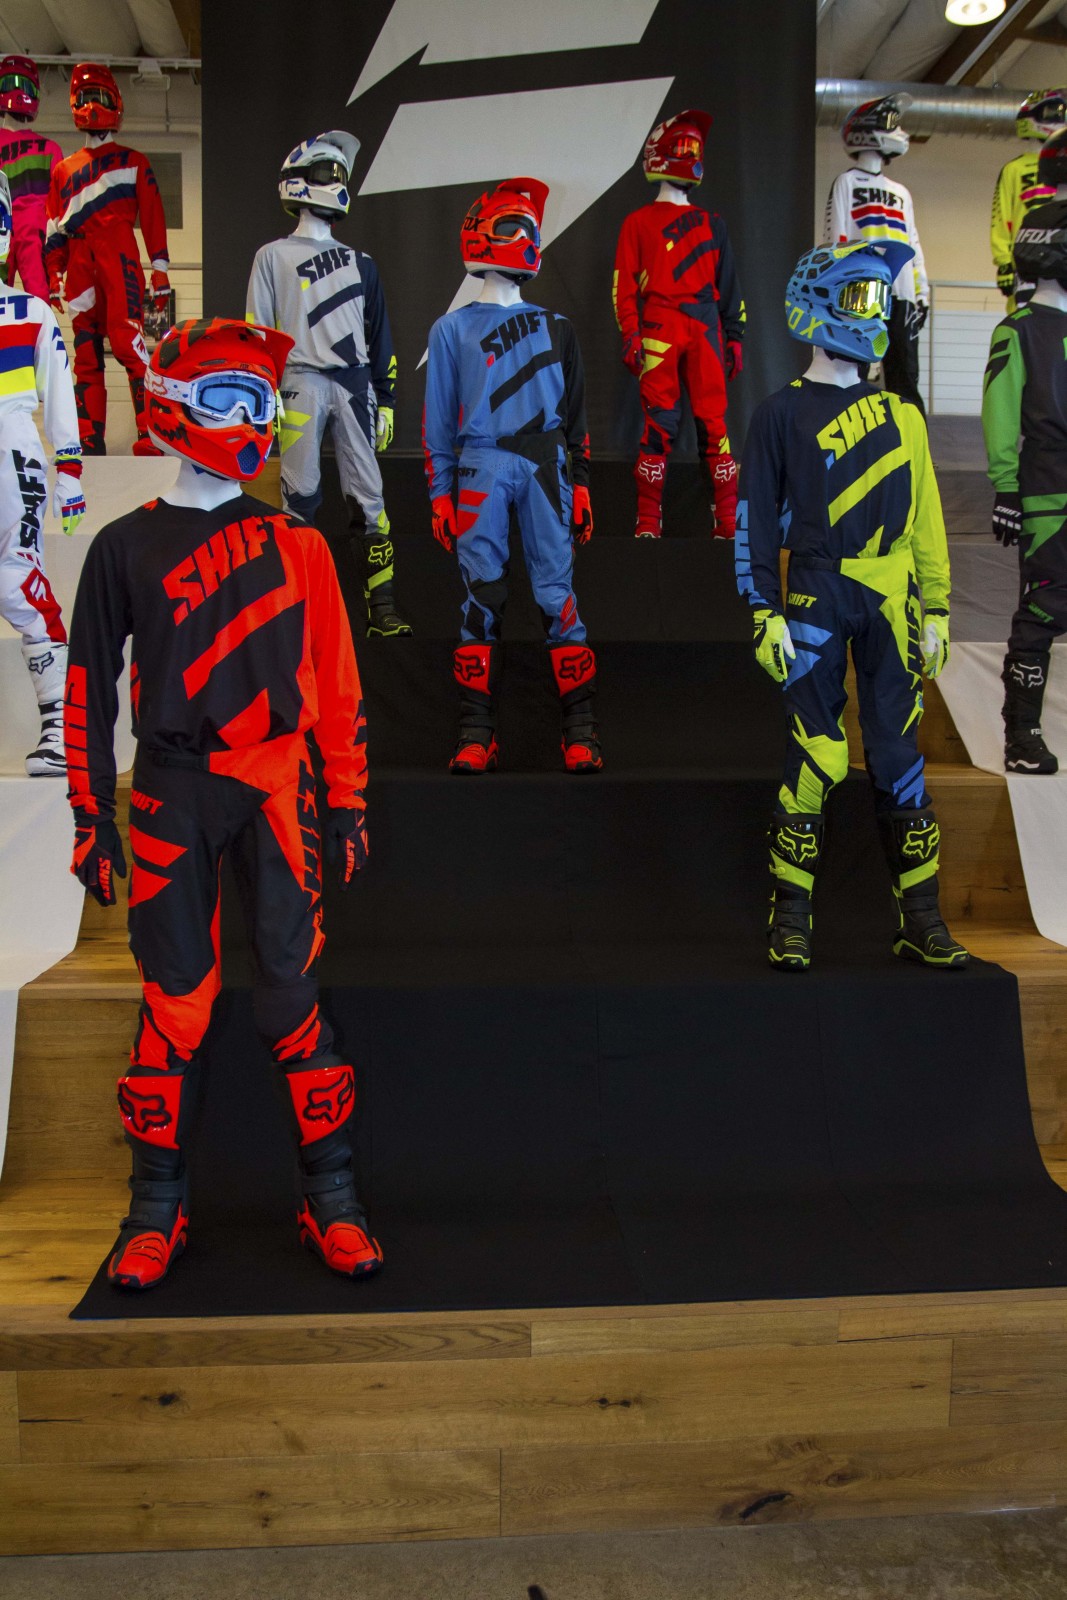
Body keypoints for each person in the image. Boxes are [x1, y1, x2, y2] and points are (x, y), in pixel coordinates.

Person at [64, 316, 381, 1290]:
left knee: (291, 997)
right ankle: (153, 1210)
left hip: (280, 785)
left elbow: (337, 680)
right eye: (229, 396)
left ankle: (331, 1198)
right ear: (175, 405)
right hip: (172, 787)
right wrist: (88, 812)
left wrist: (348, 800)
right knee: (175, 1003)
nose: (251, 419)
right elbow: (86, 687)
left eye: (261, 400)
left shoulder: (300, 543)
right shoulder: (122, 546)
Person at [735, 239, 968, 971]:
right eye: (861, 297)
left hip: (893, 596)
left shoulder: (904, 415)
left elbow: (926, 520)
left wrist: (938, 608)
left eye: (878, 299)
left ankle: (921, 919)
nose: (873, 314)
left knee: (898, 755)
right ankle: (790, 919)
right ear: (817, 301)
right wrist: (760, 609)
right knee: (816, 753)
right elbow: (751, 521)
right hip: (814, 591)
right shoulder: (778, 414)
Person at [423, 176, 600, 773]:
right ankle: (476, 733)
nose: (526, 237)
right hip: (481, 462)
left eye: (529, 228)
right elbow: (437, 421)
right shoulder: (450, 330)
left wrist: (581, 481)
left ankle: (581, 732)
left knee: (557, 595)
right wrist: (439, 491)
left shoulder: (559, 326)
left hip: (546, 462)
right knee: (482, 599)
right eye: (514, 225)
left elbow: (576, 415)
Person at [247, 130, 410, 637]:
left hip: (355, 384)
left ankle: (381, 608)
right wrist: (262, 393)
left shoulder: (363, 263)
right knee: (300, 498)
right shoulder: (271, 256)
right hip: (298, 381)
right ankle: (298, 607)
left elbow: (380, 334)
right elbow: (258, 333)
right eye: (328, 172)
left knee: (369, 499)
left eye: (341, 173)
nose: (337, 181)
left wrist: (386, 399)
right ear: (298, 180)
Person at [613, 108, 744, 539]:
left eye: (695, 148)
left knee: (714, 424)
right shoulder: (637, 222)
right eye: (684, 147)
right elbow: (623, 285)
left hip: (702, 326)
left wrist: (735, 335)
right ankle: (648, 518)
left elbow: (730, 285)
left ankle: (726, 520)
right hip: (662, 324)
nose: (692, 155)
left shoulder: (714, 224)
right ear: (661, 152)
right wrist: (630, 332)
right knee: (659, 423)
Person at [0, 169, 85, 775]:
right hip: (16, 451)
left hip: (12, 450)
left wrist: (70, 470)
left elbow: (60, 392)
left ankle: (61, 725)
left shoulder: (31, 311)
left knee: (18, 581)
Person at [983, 185, 1067, 774]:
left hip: (1045, 485)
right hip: (1045, 491)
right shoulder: (1018, 329)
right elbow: (1000, 411)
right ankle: (1022, 736)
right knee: (1041, 610)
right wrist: (1007, 487)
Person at [45, 63, 170, 454]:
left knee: (128, 343)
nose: (92, 106)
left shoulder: (135, 161)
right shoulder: (63, 170)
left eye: (99, 97)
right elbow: (53, 226)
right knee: (85, 353)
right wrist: (54, 273)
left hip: (120, 256)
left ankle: (150, 433)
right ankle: (89, 438)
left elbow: (153, 216)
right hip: (80, 259)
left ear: (115, 102)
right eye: (85, 98)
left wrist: (160, 270)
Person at [824, 94, 930, 414]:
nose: (899, 131)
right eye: (891, 123)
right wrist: (836, 288)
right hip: (862, 290)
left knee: (905, 377)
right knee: (853, 372)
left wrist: (921, 292)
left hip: (902, 294)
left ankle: (911, 441)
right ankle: (853, 437)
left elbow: (913, 242)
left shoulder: (902, 192)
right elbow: (835, 239)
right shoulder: (846, 183)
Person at [991, 89, 1066, 309]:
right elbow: (1000, 219)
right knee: (1029, 319)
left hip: (1062, 256)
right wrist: (1004, 262)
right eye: (1054, 112)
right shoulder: (1014, 169)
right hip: (1028, 261)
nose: (1060, 118)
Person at [0, 55, 61, 300]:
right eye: (9, 83)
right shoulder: (50, 149)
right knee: (38, 298)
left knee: (37, 299)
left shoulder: (51, 150)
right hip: (29, 229)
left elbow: (59, 209)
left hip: (30, 230)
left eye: (23, 85)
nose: (17, 91)